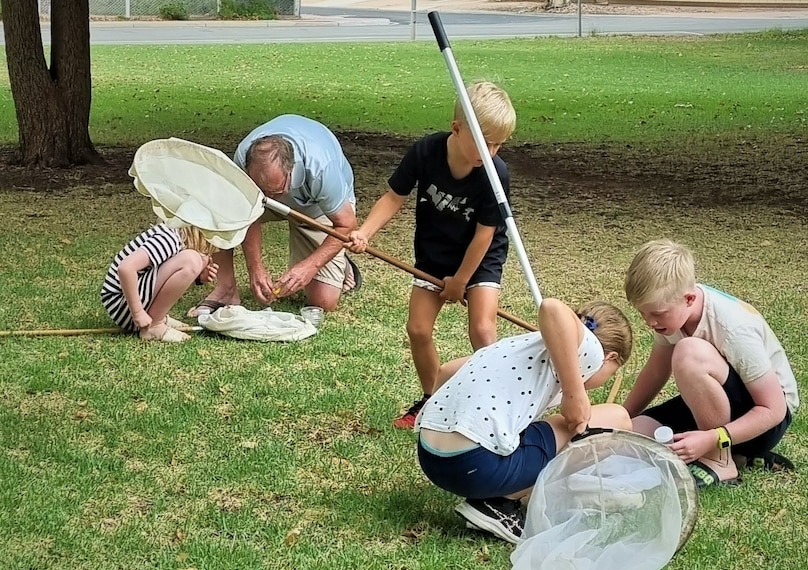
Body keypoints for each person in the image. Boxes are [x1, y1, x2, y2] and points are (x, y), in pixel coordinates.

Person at [346, 81, 516, 429]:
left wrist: (461, 282)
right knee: (418, 329)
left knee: (483, 330)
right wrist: (365, 232)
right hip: (434, 253)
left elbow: (485, 235)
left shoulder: (496, 174)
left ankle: (494, 405)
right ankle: (431, 400)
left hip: (479, 259)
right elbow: (394, 196)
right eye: (485, 141)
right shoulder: (425, 152)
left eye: (499, 144)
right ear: (456, 128)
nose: (492, 151)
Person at [414, 298, 634, 543]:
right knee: (618, 418)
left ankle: (500, 492)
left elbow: (446, 371)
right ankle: (500, 503)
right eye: (611, 373)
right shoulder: (591, 351)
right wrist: (575, 393)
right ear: (610, 358)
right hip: (475, 466)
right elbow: (552, 308)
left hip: (431, 459)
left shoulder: (517, 345)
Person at [622, 239, 799, 488]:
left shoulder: (733, 328)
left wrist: (713, 439)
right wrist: (622, 417)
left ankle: (721, 462)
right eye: (642, 313)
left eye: (656, 314)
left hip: (764, 422)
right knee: (631, 435)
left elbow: (774, 409)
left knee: (688, 352)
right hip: (714, 412)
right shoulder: (672, 310)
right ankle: (739, 455)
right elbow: (655, 372)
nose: (649, 322)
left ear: (689, 299)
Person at [188, 114, 361, 317]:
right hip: (271, 196)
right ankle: (226, 290)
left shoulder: (321, 169)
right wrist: (255, 268)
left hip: (317, 208)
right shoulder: (243, 157)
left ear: (291, 170)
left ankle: (341, 263)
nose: (267, 197)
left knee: (323, 301)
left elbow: (346, 225)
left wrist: (310, 266)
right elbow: (248, 213)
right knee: (218, 209)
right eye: (261, 190)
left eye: (275, 191)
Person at [101, 223, 219, 342]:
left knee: (197, 260)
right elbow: (126, 268)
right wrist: (138, 313)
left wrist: (198, 277)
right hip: (121, 304)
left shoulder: (176, 236)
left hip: (128, 302)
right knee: (191, 260)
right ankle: (154, 326)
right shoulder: (168, 239)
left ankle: (158, 318)